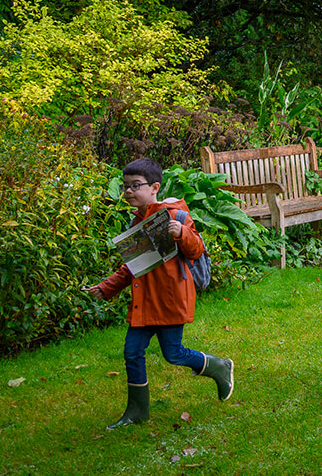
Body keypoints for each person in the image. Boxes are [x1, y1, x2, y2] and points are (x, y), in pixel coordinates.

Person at [88, 158, 234, 430]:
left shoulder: (176, 214)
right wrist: (107, 287)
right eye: (125, 186)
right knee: (132, 352)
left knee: (174, 354)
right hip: (144, 301)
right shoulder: (136, 222)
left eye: (136, 186)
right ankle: (137, 411)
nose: (129, 191)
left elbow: (196, 250)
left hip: (169, 298)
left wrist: (182, 234)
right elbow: (133, 266)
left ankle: (218, 366)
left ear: (155, 187)